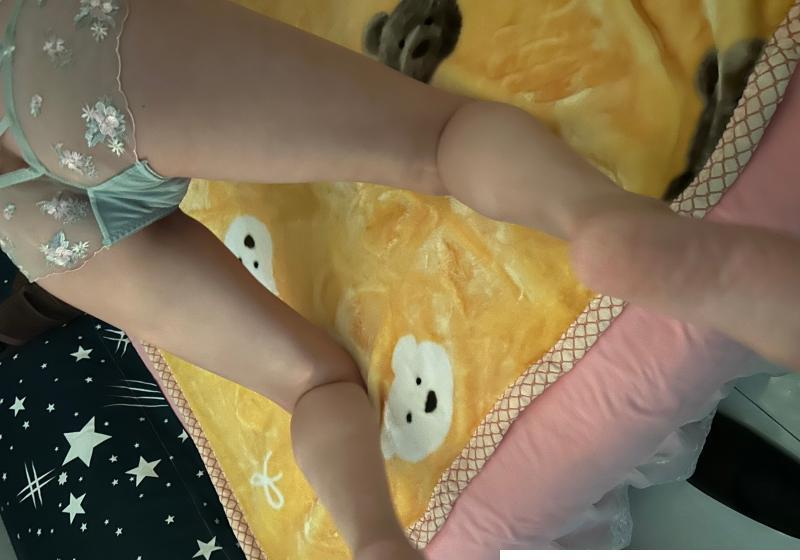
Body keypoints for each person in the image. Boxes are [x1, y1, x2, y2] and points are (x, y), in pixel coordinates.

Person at [0, 1, 796, 559]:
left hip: (24, 218)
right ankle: (600, 219)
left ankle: (375, 536)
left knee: (308, 383)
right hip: (46, 63)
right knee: (439, 142)